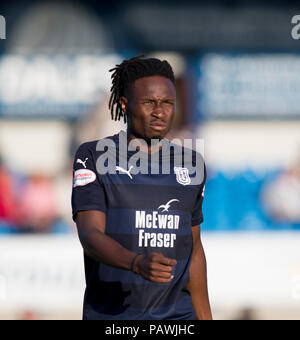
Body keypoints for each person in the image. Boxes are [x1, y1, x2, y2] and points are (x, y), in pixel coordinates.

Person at [71, 56, 212, 320]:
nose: (160, 112)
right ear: (125, 104)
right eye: (149, 103)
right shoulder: (94, 156)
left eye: (167, 103)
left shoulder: (192, 163)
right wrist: (136, 263)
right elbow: (89, 237)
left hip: (177, 319)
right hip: (113, 318)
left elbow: (193, 250)